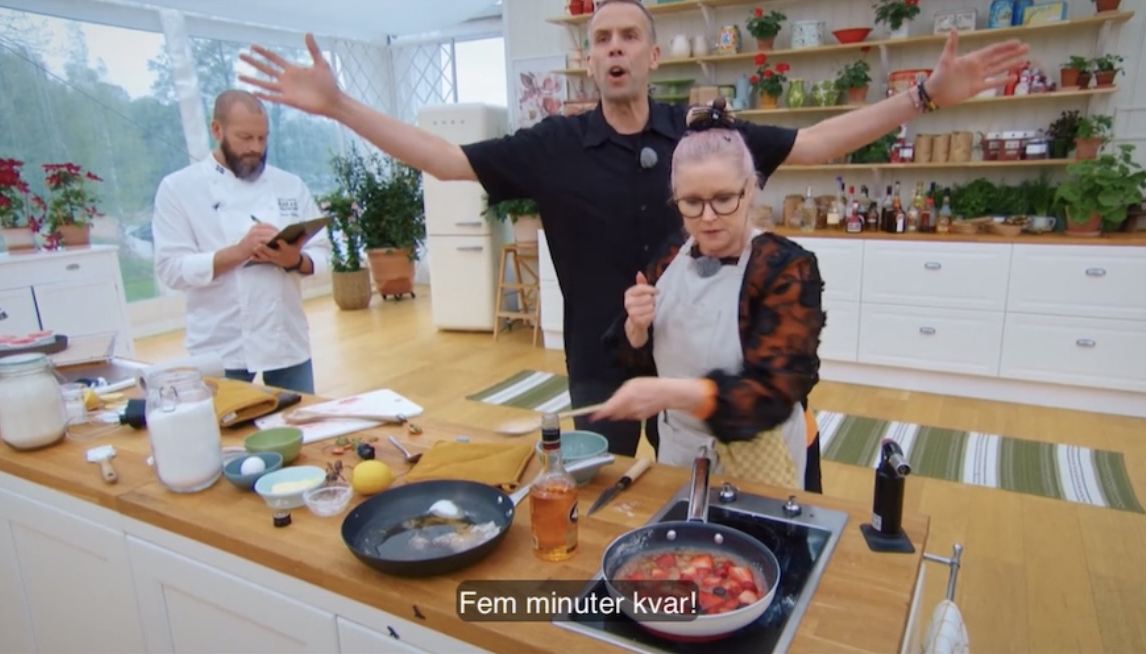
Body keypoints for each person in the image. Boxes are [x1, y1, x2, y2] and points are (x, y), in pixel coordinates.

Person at [237, 0, 1028, 457]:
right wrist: (339, 106)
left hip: (704, 365)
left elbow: (816, 142)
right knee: (605, 501)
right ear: (590, 60)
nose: (614, 48)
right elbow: (444, 160)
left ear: (652, 55)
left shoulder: (702, 135)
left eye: (629, 37)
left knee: (706, 503)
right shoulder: (552, 145)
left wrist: (923, 97)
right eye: (601, 39)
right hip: (601, 362)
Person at [592, 101, 820, 486]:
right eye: (692, 203)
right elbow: (642, 362)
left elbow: (776, 390)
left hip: (758, 461)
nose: (708, 217)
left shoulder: (784, 268)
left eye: (724, 199)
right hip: (680, 454)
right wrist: (636, 328)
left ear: (750, 189)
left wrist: (673, 394)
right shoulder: (671, 257)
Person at [152, 90, 330, 394]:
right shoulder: (178, 188)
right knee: (226, 417)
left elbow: (323, 253)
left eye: (262, 138)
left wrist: (295, 260)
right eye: (245, 138)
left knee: (301, 417)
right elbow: (170, 269)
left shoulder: (290, 185)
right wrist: (239, 252)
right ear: (217, 130)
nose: (255, 148)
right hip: (221, 343)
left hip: (285, 337)